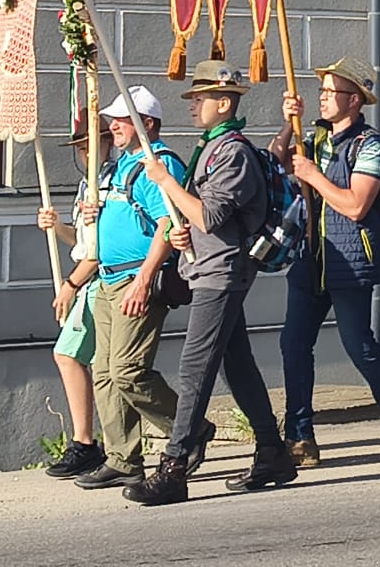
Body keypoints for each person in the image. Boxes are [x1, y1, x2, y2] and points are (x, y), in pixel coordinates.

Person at [125, 61, 293, 504]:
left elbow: (210, 216)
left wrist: (166, 182)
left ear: (224, 103)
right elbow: (200, 219)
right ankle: (272, 451)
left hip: (222, 273)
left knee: (194, 367)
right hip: (209, 267)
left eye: (200, 98)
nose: (193, 105)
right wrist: (182, 232)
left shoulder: (232, 153)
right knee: (237, 365)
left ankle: (174, 466)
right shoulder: (212, 147)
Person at [276, 58, 380, 465]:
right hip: (312, 255)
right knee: (293, 344)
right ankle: (300, 437)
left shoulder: (370, 146)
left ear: (354, 100)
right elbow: (276, 161)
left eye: (331, 92)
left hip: (350, 258)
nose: (323, 98)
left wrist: (313, 176)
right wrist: (290, 123)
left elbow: (357, 205)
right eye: (322, 91)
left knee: (358, 346)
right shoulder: (316, 139)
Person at [73, 89, 187, 489]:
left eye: (122, 119)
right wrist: (94, 211)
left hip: (135, 278)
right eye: (114, 119)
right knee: (104, 373)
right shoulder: (120, 166)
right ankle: (123, 457)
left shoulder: (158, 164)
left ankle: (187, 430)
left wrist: (143, 279)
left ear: (147, 123)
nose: (113, 126)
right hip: (108, 278)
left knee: (128, 371)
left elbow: (167, 224)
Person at [38, 127, 111, 481]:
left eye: (91, 146)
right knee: (94, 363)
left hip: (96, 280)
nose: (85, 154)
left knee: (70, 355)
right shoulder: (87, 186)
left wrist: (70, 285)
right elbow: (82, 242)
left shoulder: (107, 186)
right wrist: (57, 227)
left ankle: (86, 442)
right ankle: (96, 443)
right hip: (86, 278)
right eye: (81, 148)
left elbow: (99, 250)